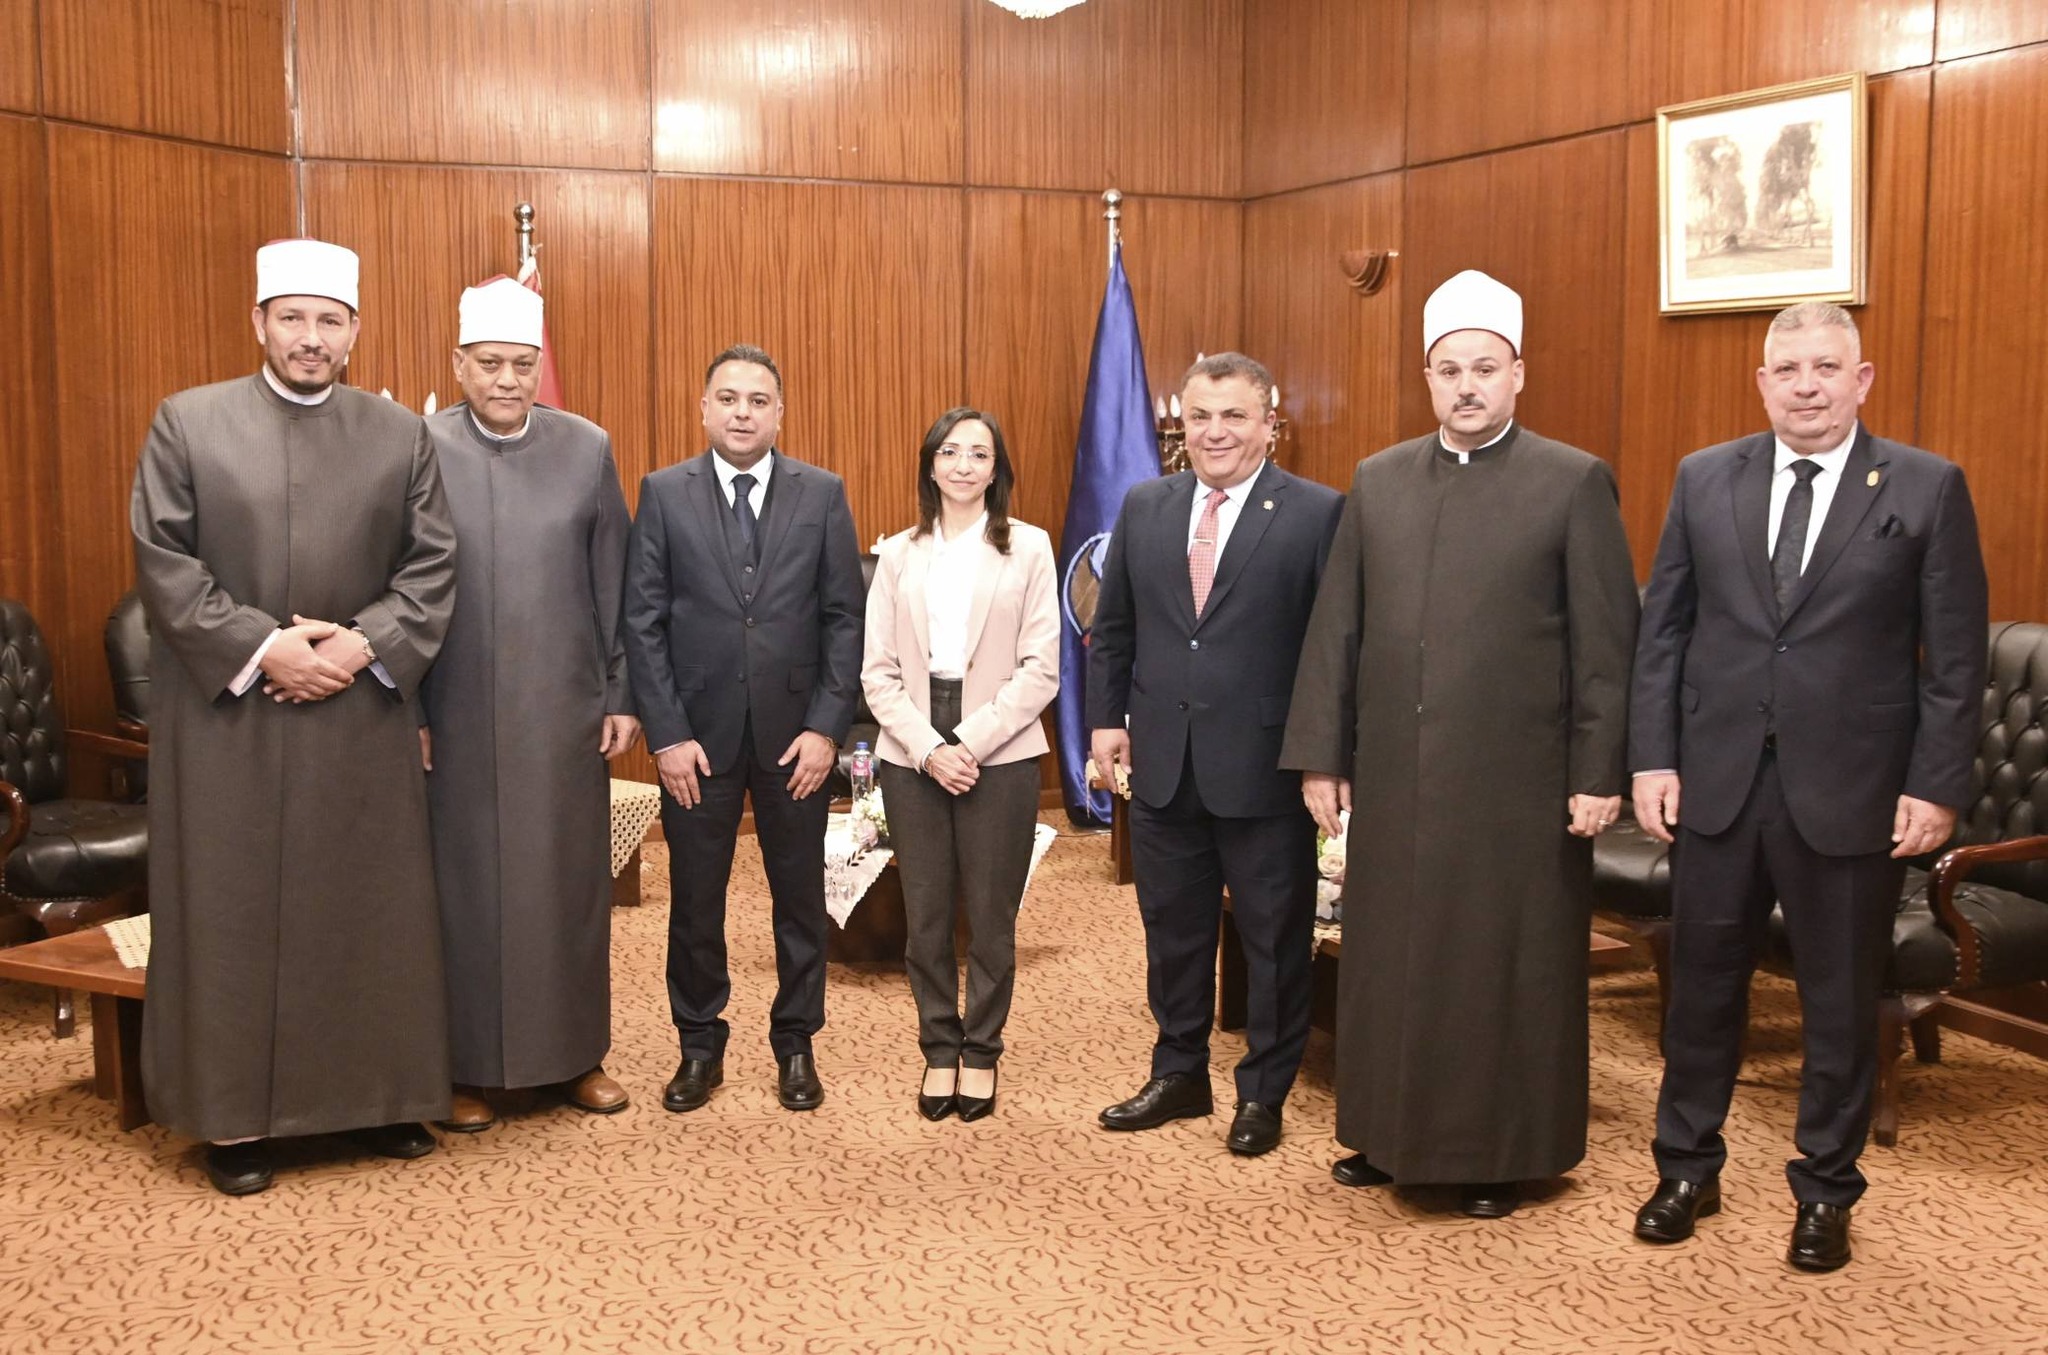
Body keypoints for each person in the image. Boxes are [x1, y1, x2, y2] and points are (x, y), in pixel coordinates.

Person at [1627, 301, 1987, 1271]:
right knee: (1701, 991)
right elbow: (1663, 632)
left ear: (1859, 379)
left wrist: (1934, 785)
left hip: (1854, 789)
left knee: (1838, 1002)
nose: (1806, 385)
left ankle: (1825, 1188)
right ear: (1762, 382)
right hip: (1716, 784)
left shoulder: (1924, 485)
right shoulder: (1705, 477)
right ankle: (1685, 1167)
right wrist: (1652, 758)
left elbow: (1954, 660)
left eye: (1826, 367)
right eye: (1787, 369)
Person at [1281, 269, 1639, 1219]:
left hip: (1518, 785)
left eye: (1485, 367)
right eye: (1450, 370)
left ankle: (1495, 1156)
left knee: (1498, 968)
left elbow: (1608, 647)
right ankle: (1385, 1133)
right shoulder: (1379, 478)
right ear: (1428, 379)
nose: (1467, 385)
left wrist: (1599, 771)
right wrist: (1323, 753)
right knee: (1393, 960)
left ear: (1518, 373)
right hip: (1399, 778)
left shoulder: (1572, 480)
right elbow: (1337, 627)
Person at [130, 238, 458, 1195]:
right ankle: (235, 1121)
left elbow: (433, 565)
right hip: (229, 720)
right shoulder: (188, 421)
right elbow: (165, 562)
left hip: (358, 710)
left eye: (329, 321)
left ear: (354, 331)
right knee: (231, 913)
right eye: (293, 318)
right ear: (259, 322)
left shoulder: (400, 435)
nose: (311, 337)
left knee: (371, 908)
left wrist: (360, 645)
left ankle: (380, 1099)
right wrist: (264, 646)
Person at [1087, 353, 1343, 1157]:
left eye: (1234, 415)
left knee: (1272, 939)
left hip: (1266, 769)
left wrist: (1323, 756)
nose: (1215, 431)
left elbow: (1333, 649)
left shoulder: (1316, 512)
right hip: (1165, 763)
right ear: (1182, 426)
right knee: (1174, 932)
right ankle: (1180, 1072)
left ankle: (1264, 1089)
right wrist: (1106, 719)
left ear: (1270, 422)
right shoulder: (1147, 504)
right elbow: (1115, 626)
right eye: (1200, 416)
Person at [419, 277, 640, 1132]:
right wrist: (412, 711)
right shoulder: (420, 448)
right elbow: (396, 586)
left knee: (565, 885)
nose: (507, 380)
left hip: (562, 710)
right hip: (454, 712)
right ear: (459, 364)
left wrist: (620, 691)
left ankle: (574, 1058)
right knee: (462, 890)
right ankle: (462, 1067)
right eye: (489, 364)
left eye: (521, 364)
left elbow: (615, 582)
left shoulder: (586, 446)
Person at [623, 344, 865, 1114]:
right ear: (704, 408)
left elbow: (844, 618)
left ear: (779, 413)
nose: (742, 412)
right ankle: (699, 1044)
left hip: (798, 742)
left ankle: (796, 1044)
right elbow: (642, 622)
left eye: (758, 400)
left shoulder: (821, 493)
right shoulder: (664, 493)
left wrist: (826, 727)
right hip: (696, 741)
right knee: (696, 901)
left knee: (799, 901)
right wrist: (666, 735)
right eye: (727, 398)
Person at [861, 408, 1060, 1122]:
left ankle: (982, 1051)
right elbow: (878, 673)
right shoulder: (897, 553)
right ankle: (939, 1046)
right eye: (950, 452)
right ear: (930, 465)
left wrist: (968, 743)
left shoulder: (1030, 547)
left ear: (997, 468)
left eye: (980, 453)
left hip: (1000, 747)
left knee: (992, 917)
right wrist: (929, 748)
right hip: (912, 745)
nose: (964, 465)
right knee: (926, 915)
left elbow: (1042, 668)